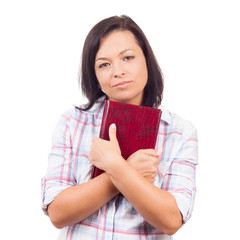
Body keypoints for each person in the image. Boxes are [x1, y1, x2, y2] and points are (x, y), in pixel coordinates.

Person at [41, 15, 198, 239]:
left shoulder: (180, 132)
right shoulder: (72, 123)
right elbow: (58, 213)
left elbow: (171, 220)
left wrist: (115, 166)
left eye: (128, 58)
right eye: (104, 64)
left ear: (147, 60)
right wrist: (127, 171)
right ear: (94, 74)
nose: (117, 71)